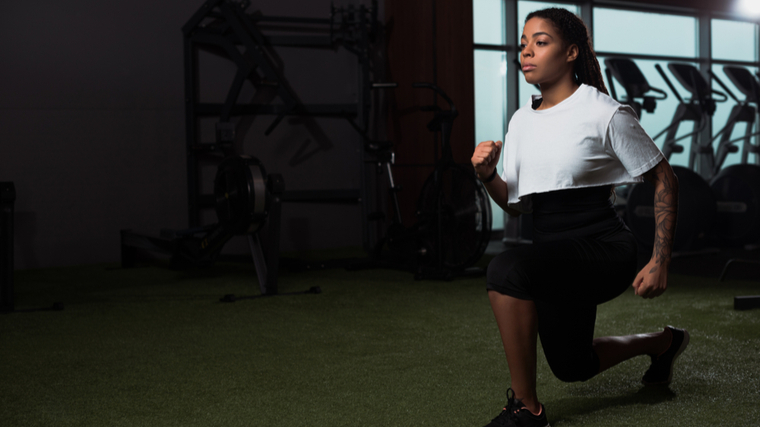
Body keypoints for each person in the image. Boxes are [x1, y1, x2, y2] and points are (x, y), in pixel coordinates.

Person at [470, 8, 689, 427]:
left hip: (605, 249)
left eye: (541, 41)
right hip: (555, 255)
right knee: (573, 365)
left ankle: (526, 410)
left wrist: (661, 260)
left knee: (505, 269)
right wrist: (486, 176)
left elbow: (665, 179)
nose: (526, 52)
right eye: (523, 43)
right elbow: (518, 205)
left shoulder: (603, 111)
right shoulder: (521, 119)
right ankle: (662, 342)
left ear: (571, 52)